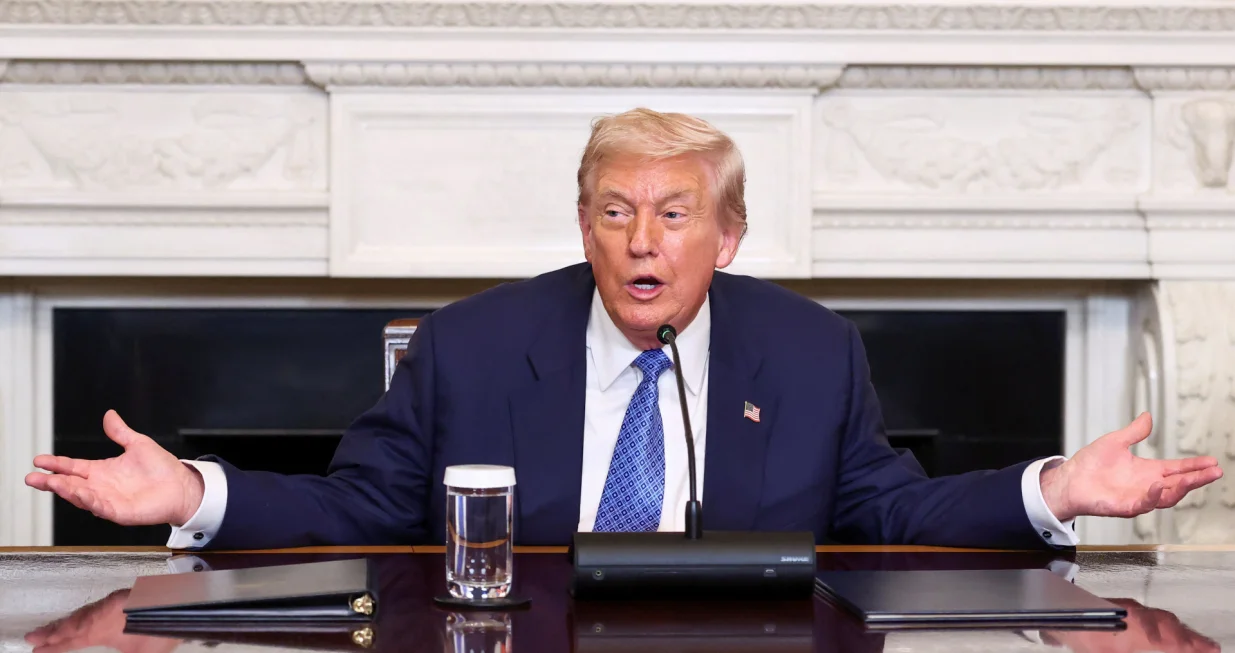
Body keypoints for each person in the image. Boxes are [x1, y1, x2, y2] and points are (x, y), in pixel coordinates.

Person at [25, 108, 1222, 550]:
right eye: (614, 212)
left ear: (727, 237)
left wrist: (1056, 487)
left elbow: (890, 513)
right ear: (585, 227)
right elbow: (361, 510)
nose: (641, 241)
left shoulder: (808, 351)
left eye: (673, 214)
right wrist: (196, 491)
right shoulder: (471, 344)